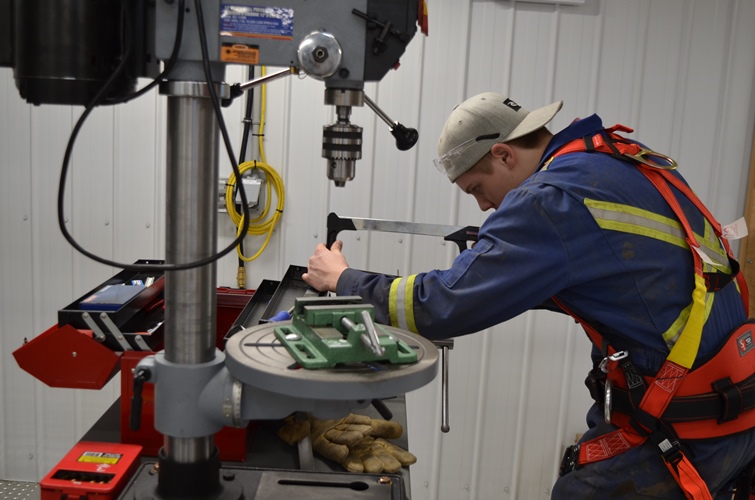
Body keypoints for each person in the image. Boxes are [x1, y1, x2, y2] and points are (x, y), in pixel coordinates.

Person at [302, 92, 755, 499]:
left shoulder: (549, 200)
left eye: (477, 188)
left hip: (687, 428)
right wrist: (490, 267)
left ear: (502, 154)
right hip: (729, 410)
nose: (483, 206)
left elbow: (440, 306)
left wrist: (343, 279)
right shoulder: (615, 161)